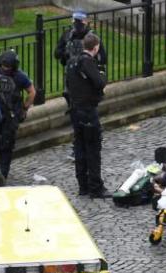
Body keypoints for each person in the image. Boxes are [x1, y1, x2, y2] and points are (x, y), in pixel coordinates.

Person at [65, 33, 108, 198]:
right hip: (88, 111)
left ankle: (83, 185)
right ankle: (95, 187)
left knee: (80, 148)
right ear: (95, 47)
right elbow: (99, 82)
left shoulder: (71, 62)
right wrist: (103, 74)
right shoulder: (87, 61)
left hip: (75, 110)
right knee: (92, 149)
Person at [0, 50, 35, 178]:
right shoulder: (19, 76)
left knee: (3, 144)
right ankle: (2, 169)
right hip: (6, 115)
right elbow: (32, 92)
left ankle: (3, 173)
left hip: (2, 115)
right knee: (3, 144)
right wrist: (25, 107)